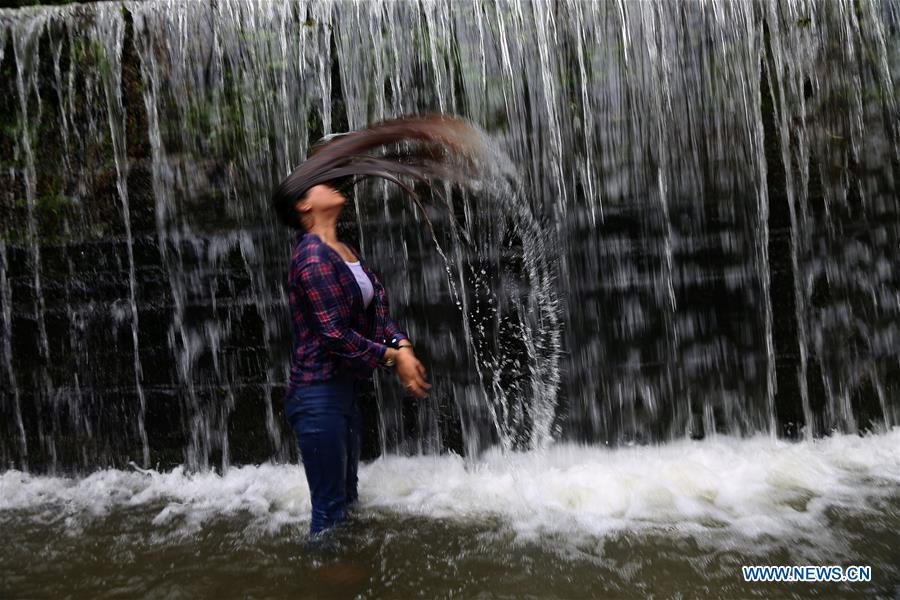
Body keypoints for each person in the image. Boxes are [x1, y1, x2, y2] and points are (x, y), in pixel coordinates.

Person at [275, 181, 431, 536]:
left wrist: (402, 346)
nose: (331, 184)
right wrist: (392, 359)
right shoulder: (312, 256)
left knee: (347, 500)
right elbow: (333, 333)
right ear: (303, 205)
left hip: (341, 393)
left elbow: (377, 317)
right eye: (320, 183)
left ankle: (347, 575)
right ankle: (326, 577)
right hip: (316, 395)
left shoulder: (345, 251)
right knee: (329, 510)